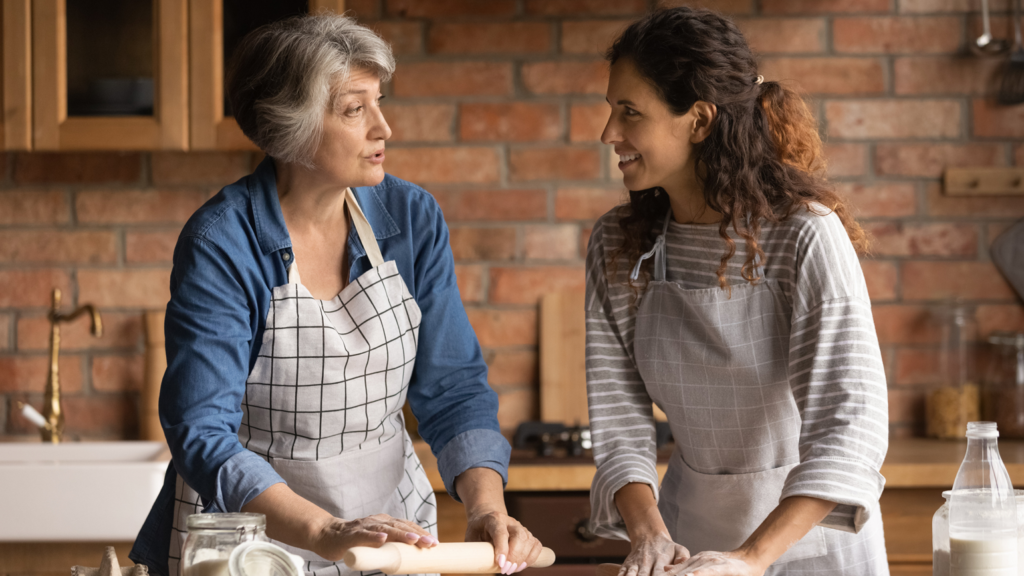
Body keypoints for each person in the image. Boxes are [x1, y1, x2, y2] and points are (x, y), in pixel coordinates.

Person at [130, 14, 541, 576]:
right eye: (355, 109)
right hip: (249, 545)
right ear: (289, 128)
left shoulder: (410, 218)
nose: (383, 128)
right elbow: (201, 431)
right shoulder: (222, 242)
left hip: (394, 538)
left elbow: (452, 388)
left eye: (379, 102)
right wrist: (324, 531)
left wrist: (486, 506)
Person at [585, 7, 888, 576]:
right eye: (610, 111)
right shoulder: (617, 244)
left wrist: (750, 560)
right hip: (686, 541)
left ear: (699, 120)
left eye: (630, 112)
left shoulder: (804, 235)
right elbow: (619, 414)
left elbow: (850, 424)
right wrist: (649, 534)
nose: (610, 134)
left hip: (811, 548)